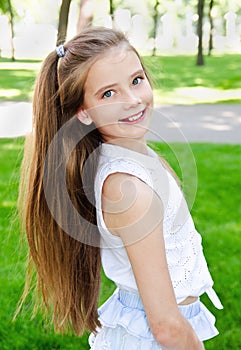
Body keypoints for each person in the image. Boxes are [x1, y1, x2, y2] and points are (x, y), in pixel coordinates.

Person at [18, 27, 223, 349]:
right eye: (108, 94)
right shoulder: (130, 192)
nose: (133, 100)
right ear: (82, 113)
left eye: (136, 80)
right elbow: (166, 326)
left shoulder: (135, 156)